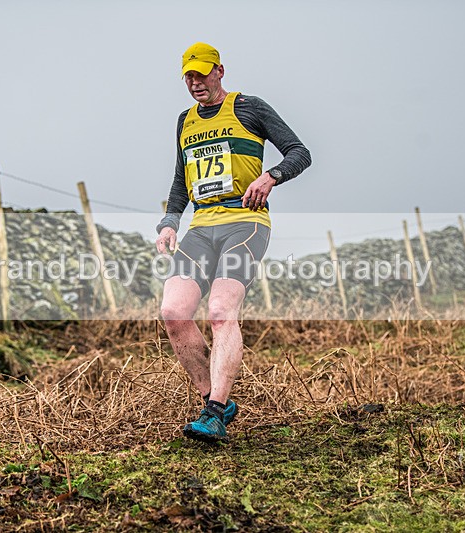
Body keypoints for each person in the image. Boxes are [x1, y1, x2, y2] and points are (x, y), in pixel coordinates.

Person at [156, 42, 311, 443]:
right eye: (188, 76)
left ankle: (213, 415)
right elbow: (181, 180)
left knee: (222, 311)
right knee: (173, 312)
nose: (195, 83)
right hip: (201, 227)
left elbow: (300, 152)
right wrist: (170, 222)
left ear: (220, 71)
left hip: (245, 224)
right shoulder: (185, 121)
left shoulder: (249, 108)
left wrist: (271, 175)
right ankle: (216, 401)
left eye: (202, 74)